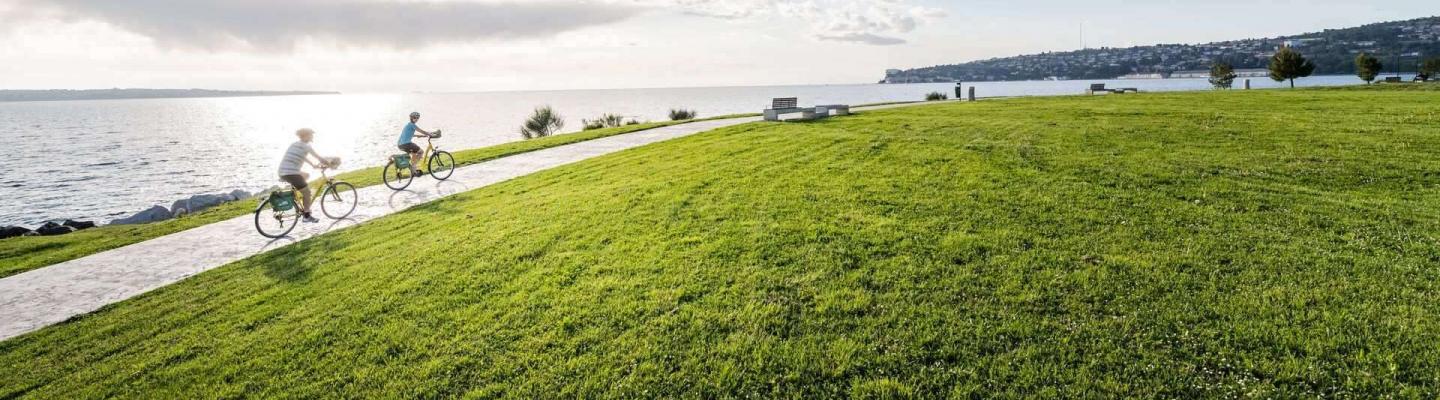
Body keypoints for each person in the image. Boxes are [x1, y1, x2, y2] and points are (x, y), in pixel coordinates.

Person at [278, 128, 336, 223]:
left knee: (306, 175)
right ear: (305, 136)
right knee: (307, 192)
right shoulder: (306, 146)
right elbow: (319, 158)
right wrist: (329, 164)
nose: (312, 136)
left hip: (282, 171)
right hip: (291, 173)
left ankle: (299, 197)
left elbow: (303, 157)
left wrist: (312, 165)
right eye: (311, 135)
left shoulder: (295, 144)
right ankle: (307, 216)